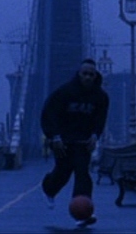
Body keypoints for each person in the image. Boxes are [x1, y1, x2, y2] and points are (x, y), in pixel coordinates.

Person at [40, 59, 109, 228]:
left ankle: (83, 213)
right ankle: (48, 188)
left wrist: (95, 135)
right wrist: (54, 136)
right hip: (62, 141)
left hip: (82, 142)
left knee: (82, 173)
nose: (87, 77)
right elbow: (49, 114)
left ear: (95, 75)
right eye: (84, 74)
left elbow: (100, 119)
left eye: (91, 74)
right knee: (63, 173)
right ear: (79, 74)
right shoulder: (64, 93)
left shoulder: (101, 97)